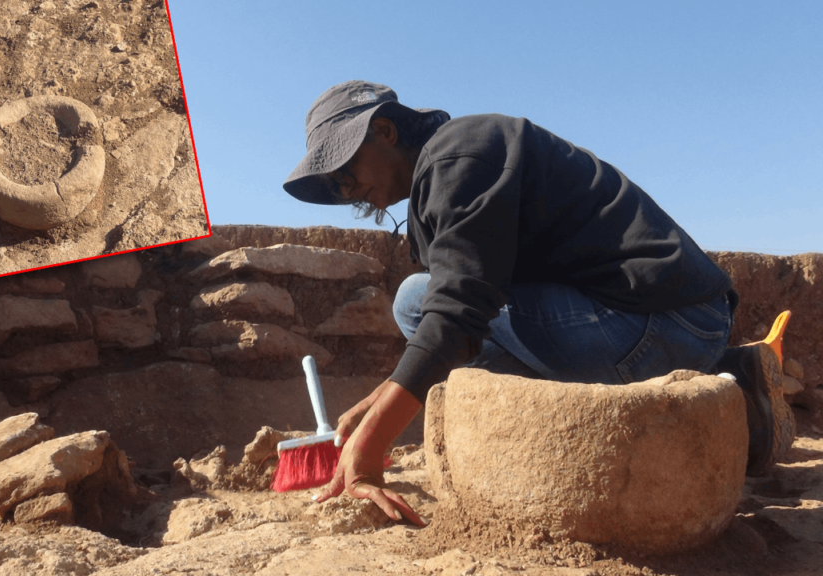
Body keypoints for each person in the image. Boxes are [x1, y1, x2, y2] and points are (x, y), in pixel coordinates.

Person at [281, 80, 794, 527]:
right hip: (679, 322)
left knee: (417, 301)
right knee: (425, 304)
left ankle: (699, 374)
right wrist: (378, 402)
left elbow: (460, 311)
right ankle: (733, 377)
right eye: (336, 187)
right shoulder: (442, 178)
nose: (348, 191)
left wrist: (373, 443)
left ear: (385, 132)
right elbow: (474, 304)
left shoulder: (459, 155)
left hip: (664, 322)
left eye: (345, 170)